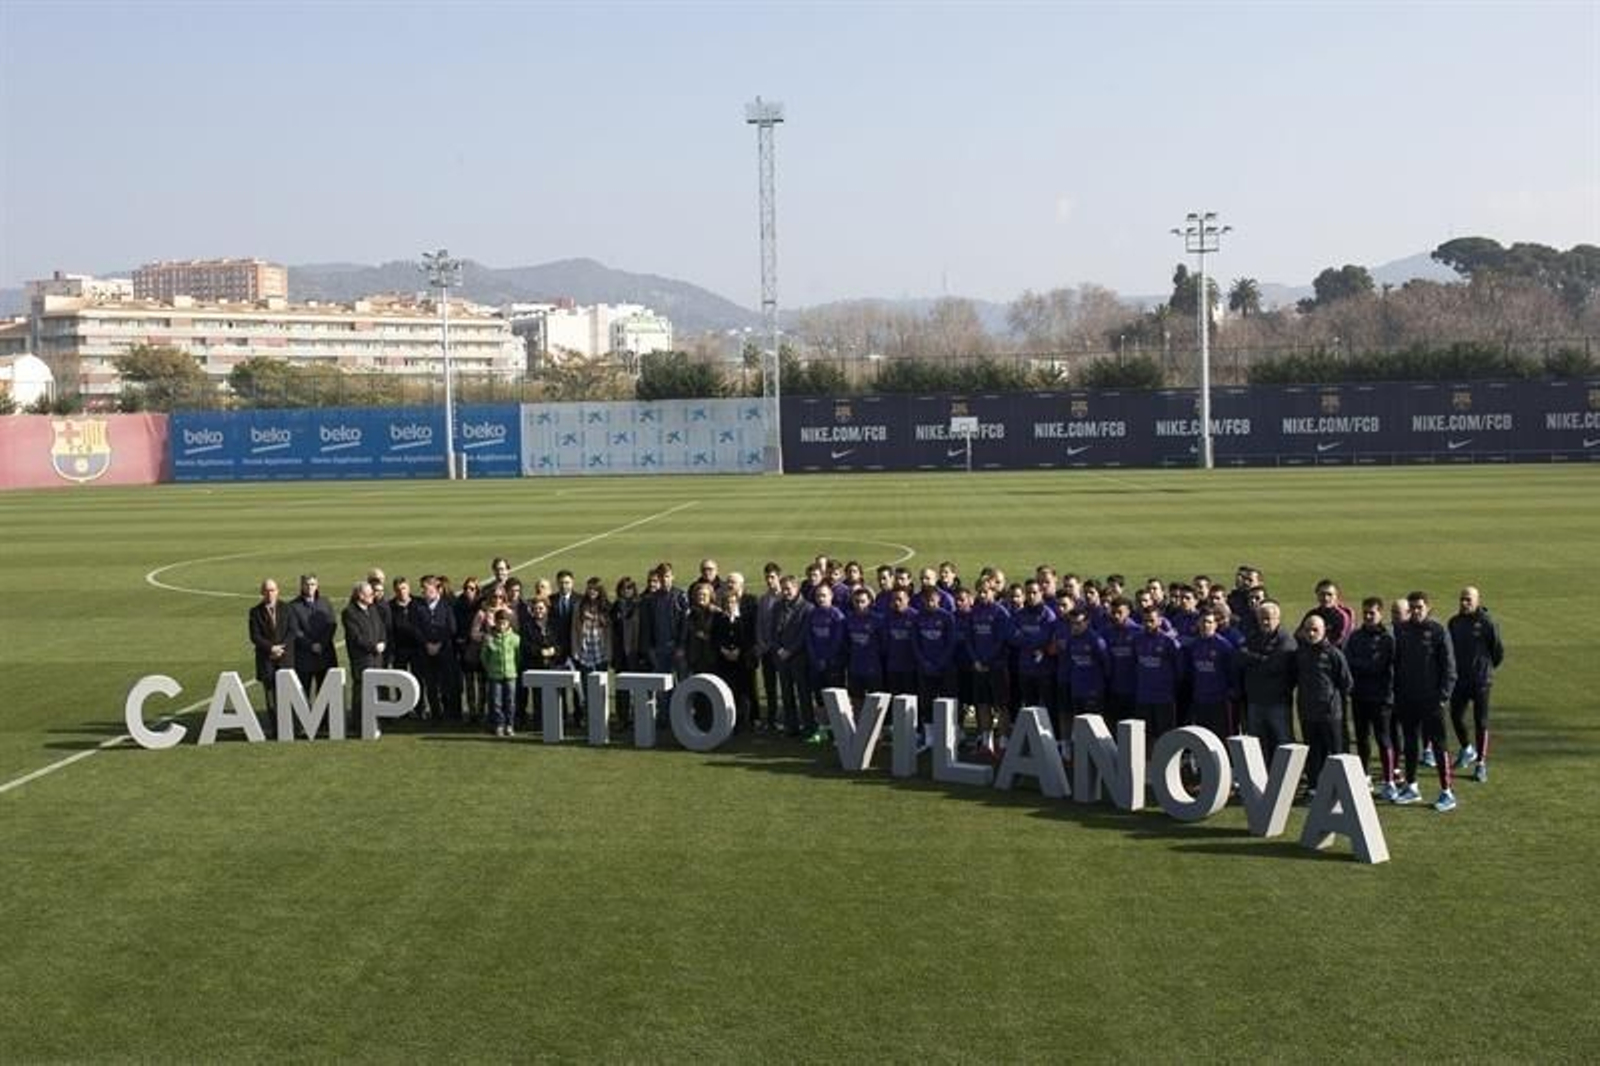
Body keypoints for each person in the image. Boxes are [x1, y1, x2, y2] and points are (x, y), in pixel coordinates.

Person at [1393, 591, 1458, 811]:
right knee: (1410, 744)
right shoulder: (1402, 630)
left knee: (1439, 746)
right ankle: (1412, 787)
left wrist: (1442, 697)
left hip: (1432, 701)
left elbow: (1449, 668)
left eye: (1419, 607)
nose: (1415, 611)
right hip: (1408, 698)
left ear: (1428, 608)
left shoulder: (1438, 631)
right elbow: (1398, 664)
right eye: (1412, 608)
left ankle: (1447, 792)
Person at [1448, 585, 1505, 782]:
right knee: (1455, 716)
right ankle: (1467, 749)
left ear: (1477, 601)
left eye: (1468, 600)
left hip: (1481, 680)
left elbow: (1497, 651)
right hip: (1460, 680)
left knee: (1481, 721)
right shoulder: (1454, 622)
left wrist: (1486, 669)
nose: (1464, 603)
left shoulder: (1487, 622)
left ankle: (1481, 763)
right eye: (1462, 599)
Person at [1294, 613, 1353, 793]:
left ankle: (1339, 789)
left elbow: (1346, 682)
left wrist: (1332, 701)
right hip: (1307, 711)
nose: (1311, 634)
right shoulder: (1300, 653)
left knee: (1335, 752)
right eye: (1308, 630)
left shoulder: (1334, 653)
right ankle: (1313, 787)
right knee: (1313, 752)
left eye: (1315, 630)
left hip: (1330, 713)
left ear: (1324, 631)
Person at [1346, 596, 1398, 797]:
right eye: (1365, 612)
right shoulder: (1356, 636)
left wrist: (1361, 665)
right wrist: (1362, 665)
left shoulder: (1387, 638)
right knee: (1362, 739)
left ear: (1380, 614)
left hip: (1381, 697)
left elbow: (1378, 666)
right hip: (1360, 695)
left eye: (1372, 613)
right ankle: (1365, 776)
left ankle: (1389, 780)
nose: (1367, 616)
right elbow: (1349, 660)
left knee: (1383, 739)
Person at [1238, 600, 1298, 756]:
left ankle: (1290, 777)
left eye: (1268, 618)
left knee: (1284, 742)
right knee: (1256, 745)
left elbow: (1274, 666)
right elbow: (1240, 658)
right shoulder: (1254, 636)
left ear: (1278, 618)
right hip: (1255, 701)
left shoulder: (1286, 640)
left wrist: (1253, 658)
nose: (1265, 622)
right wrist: (1261, 658)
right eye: (1261, 618)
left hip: (1278, 703)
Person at [966, 582, 1013, 758]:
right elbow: (969, 639)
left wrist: (986, 660)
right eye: (979, 592)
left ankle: (1003, 742)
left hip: (997, 667)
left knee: (1001, 706)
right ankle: (986, 743)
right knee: (982, 704)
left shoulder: (1001, 613)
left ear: (993, 592)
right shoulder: (974, 613)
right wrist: (976, 660)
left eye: (985, 592)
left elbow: (1001, 641)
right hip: (979, 667)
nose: (982, 595)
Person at [912, 585, 960, 752]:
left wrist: (940, 663)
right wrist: (924, 662)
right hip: (925, 668)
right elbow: (915, 643)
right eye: (926, 600)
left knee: (948, 702)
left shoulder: (947, 617)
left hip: (945, 667)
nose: (929, 603)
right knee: (926, 703)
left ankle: (950, 739)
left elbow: (951, 643)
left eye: (932, 600)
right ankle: (930, 739)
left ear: (939, 599)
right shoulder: (918, 618)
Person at [1131, 605, 1185, 739]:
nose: (1148, 624)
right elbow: (1135, 663)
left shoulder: (1169, 642)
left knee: (1166, 735)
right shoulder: (1137, 640)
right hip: (1143, 695)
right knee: (1145, 735)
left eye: (1152, 620)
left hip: (1163, 697)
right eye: (1145, 621)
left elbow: (1179, 669)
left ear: (1160, 621)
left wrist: (1172, 687)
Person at [803, 584, 848, 743]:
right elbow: (808, 638)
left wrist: (826, 659)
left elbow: (837, 642)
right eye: (818, 596)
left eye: (824, 595)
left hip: (833, 665)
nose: (821, 598)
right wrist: (815, 658)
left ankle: (839, 731)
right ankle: (823, 729)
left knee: (835, 698)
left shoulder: (837, 616)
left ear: (831, 597)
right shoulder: (812, 615)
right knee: (820, 698)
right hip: (816, 664)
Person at [342, 581, 387, 733]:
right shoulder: (349, 612)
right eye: (370, 593)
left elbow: (381, 628)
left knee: (376, 690)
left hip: (377, 657)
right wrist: (373, 647)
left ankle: (376, 721)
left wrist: (382, 642)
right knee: (361, 692)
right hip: (362, 659)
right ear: (360, 595)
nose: (373, 596)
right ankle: (358, 723)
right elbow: (356, 638)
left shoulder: (373, 609)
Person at [248, 578, 295, 722]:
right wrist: (271, 648)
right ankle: (275, 727)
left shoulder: (287, 608)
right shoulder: (255, 612)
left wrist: (281, 648)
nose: (270, 593)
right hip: (266, 660)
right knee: (270, 696)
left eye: (272, 590)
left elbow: (292, 631)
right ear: (262, 592)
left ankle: (291, 725)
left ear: (278, 591)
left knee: (289, 694)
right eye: (267, 590)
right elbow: (255, 636)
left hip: (285, 658)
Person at [410, 576, 457, 722]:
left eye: (427, 588)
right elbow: (415, 628)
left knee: (446, 684)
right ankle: (435, 714)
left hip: (444, 651)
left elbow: (451, 628)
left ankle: (449, 713)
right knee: (430, 684)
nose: (424, 591)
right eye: (423, 589)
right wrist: (426, 644)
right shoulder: (418, 608)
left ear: (437, 589)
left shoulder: (446, 606)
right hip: (425, 652)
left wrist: (439, 644)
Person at [1183, 608, 1235, 739]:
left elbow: (1232, 672)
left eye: (1209, 622)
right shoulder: (1193, 646)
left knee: (1221, 736)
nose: (1206, 625)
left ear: (1216, 625)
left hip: (1219, 701)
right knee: (1202, 736)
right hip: (1199, 699)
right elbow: (1190, 672)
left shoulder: (1224, 646)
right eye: (1203, 622)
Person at [570, 577, 612, 729]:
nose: (592, 592)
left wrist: (609, 653)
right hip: (585, 652)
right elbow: (574, 630)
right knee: (587, 688)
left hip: (601, 652)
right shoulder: (579, 606)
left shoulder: (606, 607)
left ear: (600, 590)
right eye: (589, 589)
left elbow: (610, 632)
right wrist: (575, 649)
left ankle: (602, 719)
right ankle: (589, 718)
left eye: (595, 589)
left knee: (601, 689)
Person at [713, 586, 757, 730]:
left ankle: (744, 720)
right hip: (724, 661)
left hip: (742, 661)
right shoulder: (719, 619)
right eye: (727, 603)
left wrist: (739, 650)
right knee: (728, 690)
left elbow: (749, 637)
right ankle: (730, 721)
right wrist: (723, 650)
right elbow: (716, 637)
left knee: (743, 691)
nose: (730, 605)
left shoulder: (743, 619)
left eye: (733, 602)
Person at [773, 575, 812, 737]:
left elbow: (804, 635)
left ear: (797, 589)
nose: (786, 592)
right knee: (786, 694)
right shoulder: (778, 606)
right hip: (782, 657)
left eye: (788, 588)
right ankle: (791, 727)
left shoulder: (807, 608)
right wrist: (779, 649)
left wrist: (790, 651)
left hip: (799, 658)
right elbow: (773, 631)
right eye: (783, 589)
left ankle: (808, 726)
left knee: (803, 694)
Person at [288, 574, 338, 697]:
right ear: (301, 586)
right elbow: (295, 630)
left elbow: (331, 625)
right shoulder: (293, 606)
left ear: (317, 585)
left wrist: (322, 643)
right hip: (305, 658)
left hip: (325, 655)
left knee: (326, 694)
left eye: (313, 584)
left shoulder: (325, 602)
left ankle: (325, 717)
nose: (310, 587)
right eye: (307, 584)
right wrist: (311, 645)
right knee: (303, 693)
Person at [480, 607, 521, 738]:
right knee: (496, 702)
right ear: (495, 623)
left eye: (504, 623)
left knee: (511, 702)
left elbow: (518, 657)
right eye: (499, 622)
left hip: (511, 675)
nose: (501, 625)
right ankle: (499, 725)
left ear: (508, 623)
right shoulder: (489, 639)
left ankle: (510, 725)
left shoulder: (515, 639)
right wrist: (490, 668)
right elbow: (484, 656)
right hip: (495, 675)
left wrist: (514, 668)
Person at [455, 576, 485, 722]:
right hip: (465, 647)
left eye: (472, 588)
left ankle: (481, 710)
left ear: (477, 590)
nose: (468, 591)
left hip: (479, 647)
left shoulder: (481, 605)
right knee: (469, 681)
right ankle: (472, 711)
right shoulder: (459, 604)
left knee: (481, 681)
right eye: (466, 588)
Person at [389, 577, 419, 676]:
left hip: (417, 648)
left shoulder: (418, 603)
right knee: (400, 678)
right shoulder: (390, 606)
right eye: (398, 590)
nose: (401, 592)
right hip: (399, 649)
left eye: (403, 588)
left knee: (418, 677)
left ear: (408, 588)